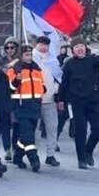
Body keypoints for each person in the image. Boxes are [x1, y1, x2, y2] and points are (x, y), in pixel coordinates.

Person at [58, 37, 99, 170]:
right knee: (81, 131)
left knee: (98, 129)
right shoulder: (69, 64)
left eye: (81, 46)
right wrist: (61, 100)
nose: (79, 48)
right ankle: (81, 159)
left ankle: (88, 151)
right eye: (76, 46)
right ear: (73, 50)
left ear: (85, 48)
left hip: (93, 101)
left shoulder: (92, 60)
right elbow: (64, 83)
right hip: (77, 102)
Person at [6, 44, 45, 171]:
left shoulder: (37, 69)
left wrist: (42, 91)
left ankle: (18, 156)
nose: (29, 57)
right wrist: (17, 80)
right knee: (28, 136)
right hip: (21, 107)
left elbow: (41, 86)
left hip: (35, 105)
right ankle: (34, 159)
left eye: (31, 54)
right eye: (27, 55)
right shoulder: (14, 69)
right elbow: (10, 89)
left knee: (25, 136)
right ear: (21, 56)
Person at [32, 36, 62, 167]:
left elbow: (58, 78)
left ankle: (50, 155)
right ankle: (35, 155)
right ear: (36, 44)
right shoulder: (31, 58)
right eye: (41, 44)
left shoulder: (52, 59)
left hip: (49, 99)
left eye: (46, 45)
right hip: (34, 100)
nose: (44, 47)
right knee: (34, 130)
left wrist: (57, 94)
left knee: (52, 127)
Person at [1, 37, 20, 161]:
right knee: (5, 125)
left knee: (17, 123)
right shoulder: (1, 61)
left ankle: (15, 147)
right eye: (7, 47)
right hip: (4, 96)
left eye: (12, 47)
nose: (9, 50)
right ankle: (7, 149)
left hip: (17, 95)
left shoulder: (21, 62)